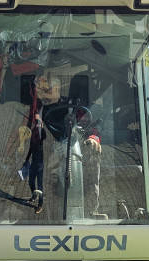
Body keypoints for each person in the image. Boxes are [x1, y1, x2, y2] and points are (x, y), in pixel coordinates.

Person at [16, 71, 101, 215]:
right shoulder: (35, 110)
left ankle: (91, 210)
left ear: (57, 89)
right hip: (45, 153)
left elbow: (89, 128)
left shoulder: (74, 107)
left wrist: (93, 138)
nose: (43, 95)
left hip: (72, 153)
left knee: (93, 156)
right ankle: (43, 207)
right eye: (39, 91)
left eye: (46, 90)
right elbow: (25, 130)